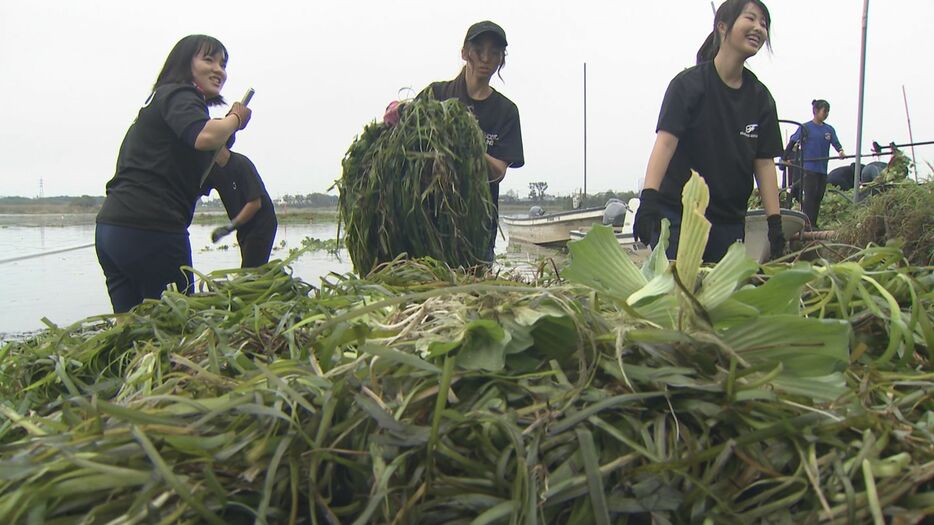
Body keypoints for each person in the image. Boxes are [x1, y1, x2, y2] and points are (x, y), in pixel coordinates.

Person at [95, 35, 251, 313]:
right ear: (184, 63)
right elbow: (205, 136)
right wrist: (236, 118)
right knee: (176, 326)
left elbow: (208, 152)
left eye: (223, 64)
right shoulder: (180, 93)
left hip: (112, 230)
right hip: (151, 229)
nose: (219, 70)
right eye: (208, 59)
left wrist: (228, 130)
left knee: (128, 328)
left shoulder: (161, 100)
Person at [633, 0, 785, 263]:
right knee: (677, 297)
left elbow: (764, 164)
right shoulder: (688, 86)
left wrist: (775, 223)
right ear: (722, 27)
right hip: (679, 216)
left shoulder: (761, 99)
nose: (759, 28)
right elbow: (665, 144)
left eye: (764, 23)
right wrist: (648, 200)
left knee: (718, 301)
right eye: (750, 19)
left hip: (729, 223)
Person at [383, 20, 524, 263]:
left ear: (501, 59)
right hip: (428, 221)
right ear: (464, 53)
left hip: (477, 227)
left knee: (473, 297)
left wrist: (469, 145)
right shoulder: (438, 95)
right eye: (478, 50)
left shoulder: (506, 111)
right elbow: (404, 125)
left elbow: (499, 172)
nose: (485, 58)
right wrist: (396, 110)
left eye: (494, 53)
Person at [204, 148, 278, 267]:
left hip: (261, 224)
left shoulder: (241, 164)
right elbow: (196, 193)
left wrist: (229, 227)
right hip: (243, 227)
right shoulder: (212, 170)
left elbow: (255, 203)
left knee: (250, 270)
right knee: (251, 270)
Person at [789, 99, 845, 228]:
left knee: (818, 196)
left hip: (822, 168)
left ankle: (813, 223)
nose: (826, 114)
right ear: (816, 111)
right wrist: (786, 156)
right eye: (824, 111)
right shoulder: (806, 127)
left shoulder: (829, 129)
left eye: (828, 112)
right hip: (810, 168)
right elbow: (793, 141)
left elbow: (836, 143)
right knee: (810, 196)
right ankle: (807, 224)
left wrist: (841, 151)